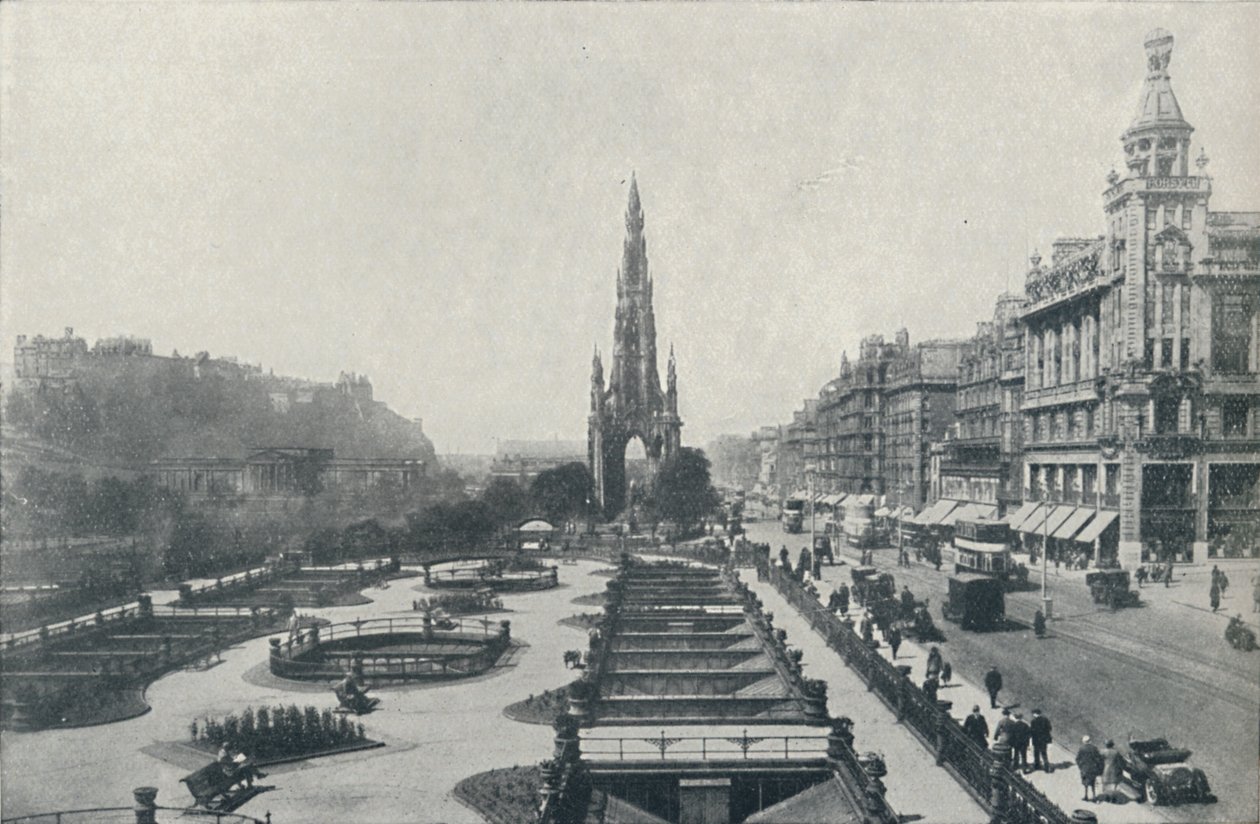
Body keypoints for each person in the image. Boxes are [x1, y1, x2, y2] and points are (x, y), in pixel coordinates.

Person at [1076, 736, 1103, 802]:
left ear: (1084, 741)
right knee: (1093, 783)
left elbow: (1077, 759)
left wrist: (1080, 766)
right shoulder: (1094, 748)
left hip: (1084, 768)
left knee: (1085, 783)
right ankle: (1094, 796)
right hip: (1093, 768)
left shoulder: (1081, 748)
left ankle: (1086, 796)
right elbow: (1099, 758)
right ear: (1090, 741)